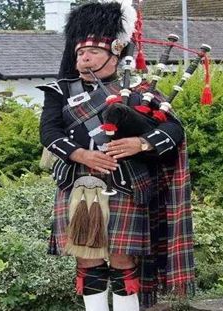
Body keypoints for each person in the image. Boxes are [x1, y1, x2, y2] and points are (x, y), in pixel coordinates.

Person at [38, 2, 195, 311]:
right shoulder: (59, 91)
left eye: (93, 52)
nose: (83, 56)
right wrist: (82, 154)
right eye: (80, 52)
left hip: (126, 185)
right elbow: (49, 134)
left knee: (124, 259)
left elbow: (175, 131)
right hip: (78, 183)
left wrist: (142, 143)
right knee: (88, 258)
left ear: (115, 53)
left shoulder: (141, 90)